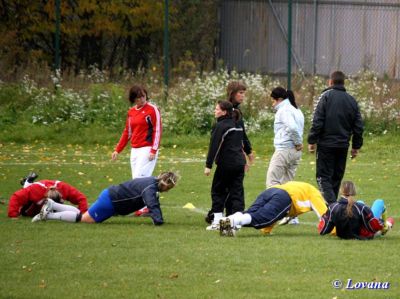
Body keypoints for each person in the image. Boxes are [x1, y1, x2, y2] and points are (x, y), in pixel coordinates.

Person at [31, 172, 178, 225]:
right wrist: (158, 221)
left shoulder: (152, 183)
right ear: (165, 184)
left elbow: (153, 203)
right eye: (170, 188)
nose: (169, 190)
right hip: (110, 202)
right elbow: (152, 204)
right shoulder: (150, 188)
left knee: (83, 216)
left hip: (110, 197)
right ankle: (49, 215)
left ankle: (51, 204)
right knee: (83, 220)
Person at [308, 71, 364, 205]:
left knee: (323, 178)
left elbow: (317, 120)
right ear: (343, 82)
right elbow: (358, 126)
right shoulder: (351, 100)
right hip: (343, 146)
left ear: (330, 82)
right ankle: (332, 212)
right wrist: (356, 146)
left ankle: (333, 209)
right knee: (336, 178)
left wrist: (312, 140)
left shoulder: (325, 97)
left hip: (326, 145)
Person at [112, 85, 162, 216]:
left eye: (143, 96)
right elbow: (127, 132)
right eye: (138, 97)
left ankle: (147, 207)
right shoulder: (131, 112)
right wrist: (118, 150)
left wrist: (153, 149)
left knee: (141, 179)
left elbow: (157, 129)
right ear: (133, 99)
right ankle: (146, 204)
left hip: (147, 149)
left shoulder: (153, 109)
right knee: (136, 180)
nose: (142, 99)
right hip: (135, 150)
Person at [219, 181, 327, 237]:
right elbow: (326, 216)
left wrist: (267, 230)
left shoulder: (305, 188)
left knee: (252, 212)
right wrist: (335, 231)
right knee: (260, 217)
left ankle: (227, 223)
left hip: (272, 190)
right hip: (284, 196)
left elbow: (277, 214)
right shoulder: (316, 195)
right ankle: (233, 221)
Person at [204, 101, 246, 230]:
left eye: (217, 109)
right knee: (236, 192)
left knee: (218, 191)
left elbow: (214, 146)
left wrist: (208, 165)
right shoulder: (237, 124)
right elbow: (244, 143)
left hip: (227, 164)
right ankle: (235, 223)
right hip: (239, 164)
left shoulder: (221, 126)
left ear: (224, 112)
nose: (214, 111)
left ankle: (217, 222)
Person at [266, 87, 304, 225]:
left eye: (273, 100)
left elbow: (292, 128)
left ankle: (273, 213)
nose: (272, 104)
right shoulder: (296, 110)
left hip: (284, 150)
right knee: (288, 185)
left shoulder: (284, 110)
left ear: (280, 99)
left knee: (272, 182)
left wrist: (298, 142)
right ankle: (292, 216)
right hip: (295, 153)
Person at [319, 181, 394, 240]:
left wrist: (325, 217)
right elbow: (373, 228)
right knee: (379, 202)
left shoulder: (333, 207)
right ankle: (386, 227)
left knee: (360, 202)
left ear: (341, 191)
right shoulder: (361, 208)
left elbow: (323, 230)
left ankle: (386, 225)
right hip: (362, 235)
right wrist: (380, 223)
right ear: (354, 191)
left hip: (343, 235)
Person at [8, 178, 88, 218]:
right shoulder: (34, 190)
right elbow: (15, 197)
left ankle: (27, 182)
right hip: (34, 200)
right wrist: (13, 215)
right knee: (27, 214)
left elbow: (81, 198)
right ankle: (27, 183)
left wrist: (83, 213)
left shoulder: (64, 188)